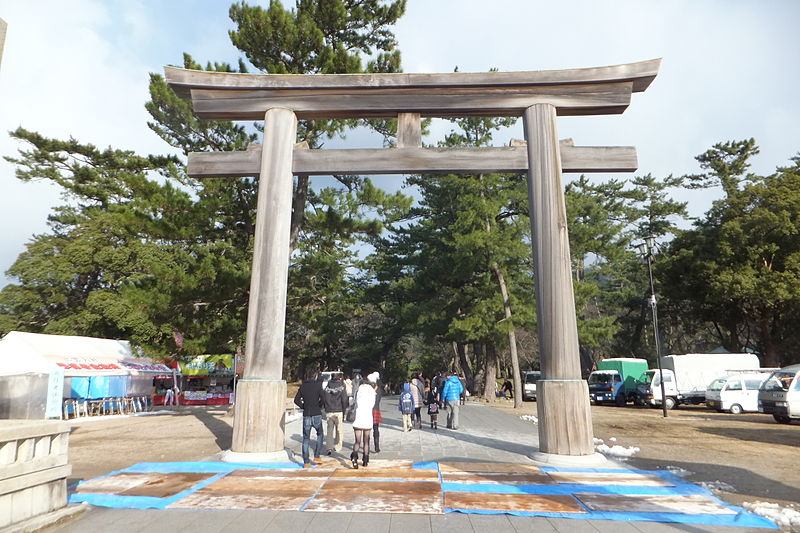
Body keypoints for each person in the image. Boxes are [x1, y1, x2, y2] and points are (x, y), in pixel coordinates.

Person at [294, 371, 324, 468]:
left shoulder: (303, 386)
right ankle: (317, 455)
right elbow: (323, 398)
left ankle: (306, 461)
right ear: (315, 376)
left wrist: (303, 406)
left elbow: (296, 400)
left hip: (307, 413)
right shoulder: (318, 386)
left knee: (306, 438)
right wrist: (319, 406)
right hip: (316, 413)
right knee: (320, 434)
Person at [351, 373, 376, 469]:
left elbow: (355, 401)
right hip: (367, 416)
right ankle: (365, 460)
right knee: (366, 440)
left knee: (357, 441)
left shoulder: (358, 391)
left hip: (359, 416)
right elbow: (373, 404)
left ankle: (354, 456)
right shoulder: (372, 391)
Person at [322, 373, 348, 455]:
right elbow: (344, 399)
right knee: (339, 430)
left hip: (329, 411)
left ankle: (329, 447)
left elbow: (324, 398)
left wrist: (326, 407)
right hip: (339, 410)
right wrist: (344, 409)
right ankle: (337, 446)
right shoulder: (342, 387)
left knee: (329, 430)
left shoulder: (327, 387)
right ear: (339, 378)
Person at [368, 371, 383, 453]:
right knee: (376, 428)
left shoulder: (366, 389)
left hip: (368, 410)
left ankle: (366, 445)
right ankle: (376, 446)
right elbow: (379, 400)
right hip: (376, 409)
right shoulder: (378, 390)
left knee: (366, 429)